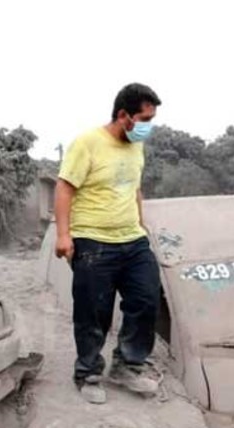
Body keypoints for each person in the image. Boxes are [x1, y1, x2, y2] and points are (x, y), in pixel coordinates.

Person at [54, 83, 163, 404]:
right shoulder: (88, 143)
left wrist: (143, 225)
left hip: (132, 239)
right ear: (123, 115)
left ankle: (128, 364)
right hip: (92, 240)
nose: (148, 126)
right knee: (93, 311)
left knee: (146, 298)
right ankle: (88, 371)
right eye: (144, 119)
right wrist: (63, 235)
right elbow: (64, 188)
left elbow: (134, 188)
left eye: (151, 119)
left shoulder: (135, 147)